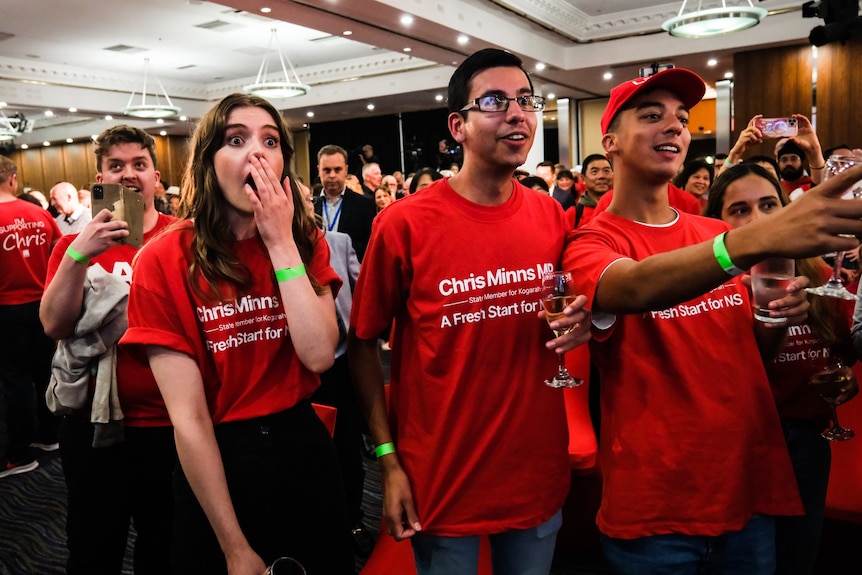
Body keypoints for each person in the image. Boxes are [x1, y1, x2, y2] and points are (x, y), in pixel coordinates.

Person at [563, 67, 862, 574]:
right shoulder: (592, 241)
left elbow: (746, 356)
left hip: (746, 492)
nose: (675, 127)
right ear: (609, 142)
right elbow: (633, 286)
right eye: (652, 115)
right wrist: (762, 236)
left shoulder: (713, 231)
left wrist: (773, 319)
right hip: (656, 508)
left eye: (681, 118)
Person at [349, 48, 591, 575]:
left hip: (534, 468)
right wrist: (387, 460)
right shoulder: (405, 224)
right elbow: (363, 342)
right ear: (457, 125)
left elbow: (575, 305)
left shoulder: (552, 215)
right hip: (442, 476)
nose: (517, 113)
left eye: (526, 100)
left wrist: (579, 326)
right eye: (495, 101)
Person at [121, 93, 353, 574]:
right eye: (236, 139)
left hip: (301, 442)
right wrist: (232, 545)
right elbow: (189, 420)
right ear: (208, 162)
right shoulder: (164, 261)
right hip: (220, 456)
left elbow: (318, 356)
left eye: (270, 141)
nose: (257, 153)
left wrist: (281, 241)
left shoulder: (303, 240)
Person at [704, 163, 859, 575]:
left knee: (797, 557)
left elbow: (842, 352)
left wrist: (845, 381)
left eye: (769, 204)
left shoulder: (821, 274)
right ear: (715, 221)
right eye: (739, 209)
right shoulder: (709, 289)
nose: (759, 219)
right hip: (742, 448)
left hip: (807, 443)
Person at [40, 125, 176, 574]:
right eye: (116, 166)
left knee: (167, 542)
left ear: (156, 176)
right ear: (100, 177)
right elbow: (54, 325)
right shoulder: (71, 244)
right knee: (93, 545)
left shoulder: (184, 239)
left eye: (139, 164)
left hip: (168, 421)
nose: (129, 175)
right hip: (91, 423)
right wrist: (81, 253)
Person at [0, 155, 62, 479]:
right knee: (45, 372)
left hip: (7, 308)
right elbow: (57, 251)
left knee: (15, 380)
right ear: (12, 179)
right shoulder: (38, 213)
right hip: (43, 305)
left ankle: (20, 454)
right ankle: (50, 436)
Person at [315, 144, 377, 261]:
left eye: (337, 170)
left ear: (346, 170)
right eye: (327, 170)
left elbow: (370, 247)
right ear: (319, 170)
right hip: (318, 272)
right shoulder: (310, 207)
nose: (332, 175)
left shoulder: (364, 205)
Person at [567, 153, 613, 229]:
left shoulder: (624, 209)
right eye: (594, 172)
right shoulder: (574, 214)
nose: (601, 176)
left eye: (606, 171)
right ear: (583, 178)